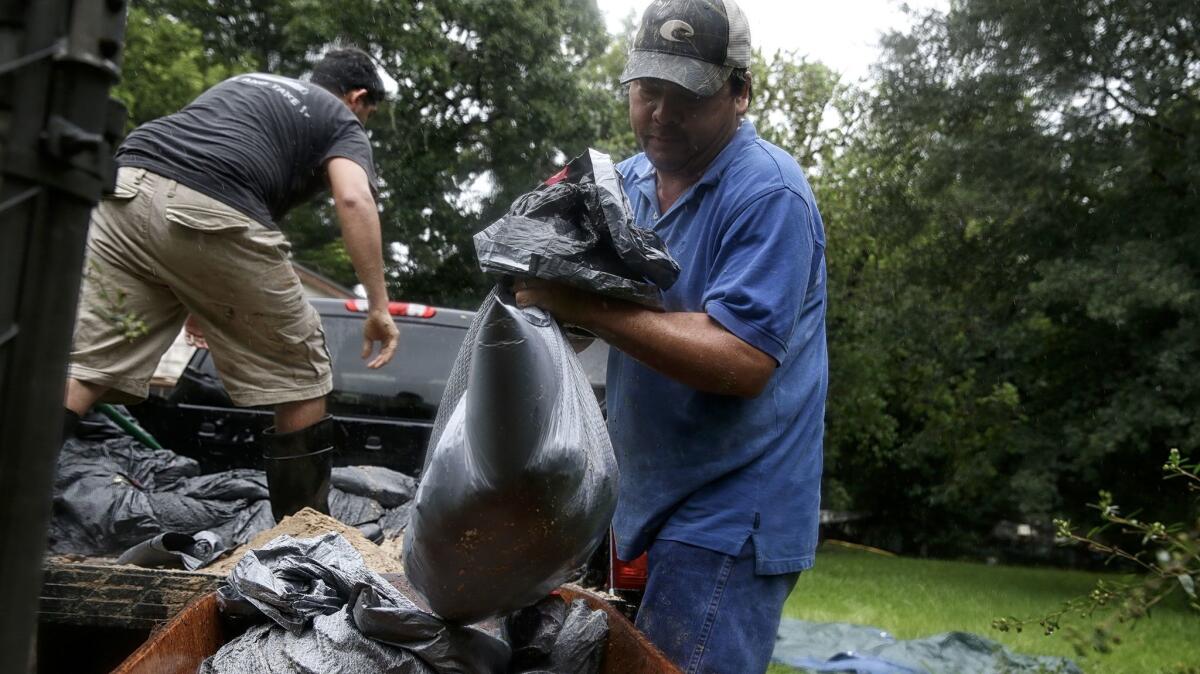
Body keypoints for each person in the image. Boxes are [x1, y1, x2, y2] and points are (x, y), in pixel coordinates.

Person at [514, 1, 827, 671]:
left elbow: (742, 360)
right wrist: (536, 280)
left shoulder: (769, 193)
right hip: (638, 495)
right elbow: (564, 322)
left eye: (684, 94)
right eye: (646, 90)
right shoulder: (619, 188)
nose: (659, 112)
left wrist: (586, 306)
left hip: (733, 508)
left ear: (739, 93)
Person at [62, 48, 400, 521]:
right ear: (357, 98)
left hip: (123, 190)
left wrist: (202, 304)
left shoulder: (246, 84)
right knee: (303, 377)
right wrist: (378, 306)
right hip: (210, 200)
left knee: (87, 367)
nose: (365, 122)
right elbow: (353, 198)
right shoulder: (340, 121)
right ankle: (301, 547)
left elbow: (180, 203)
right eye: (369, 113)